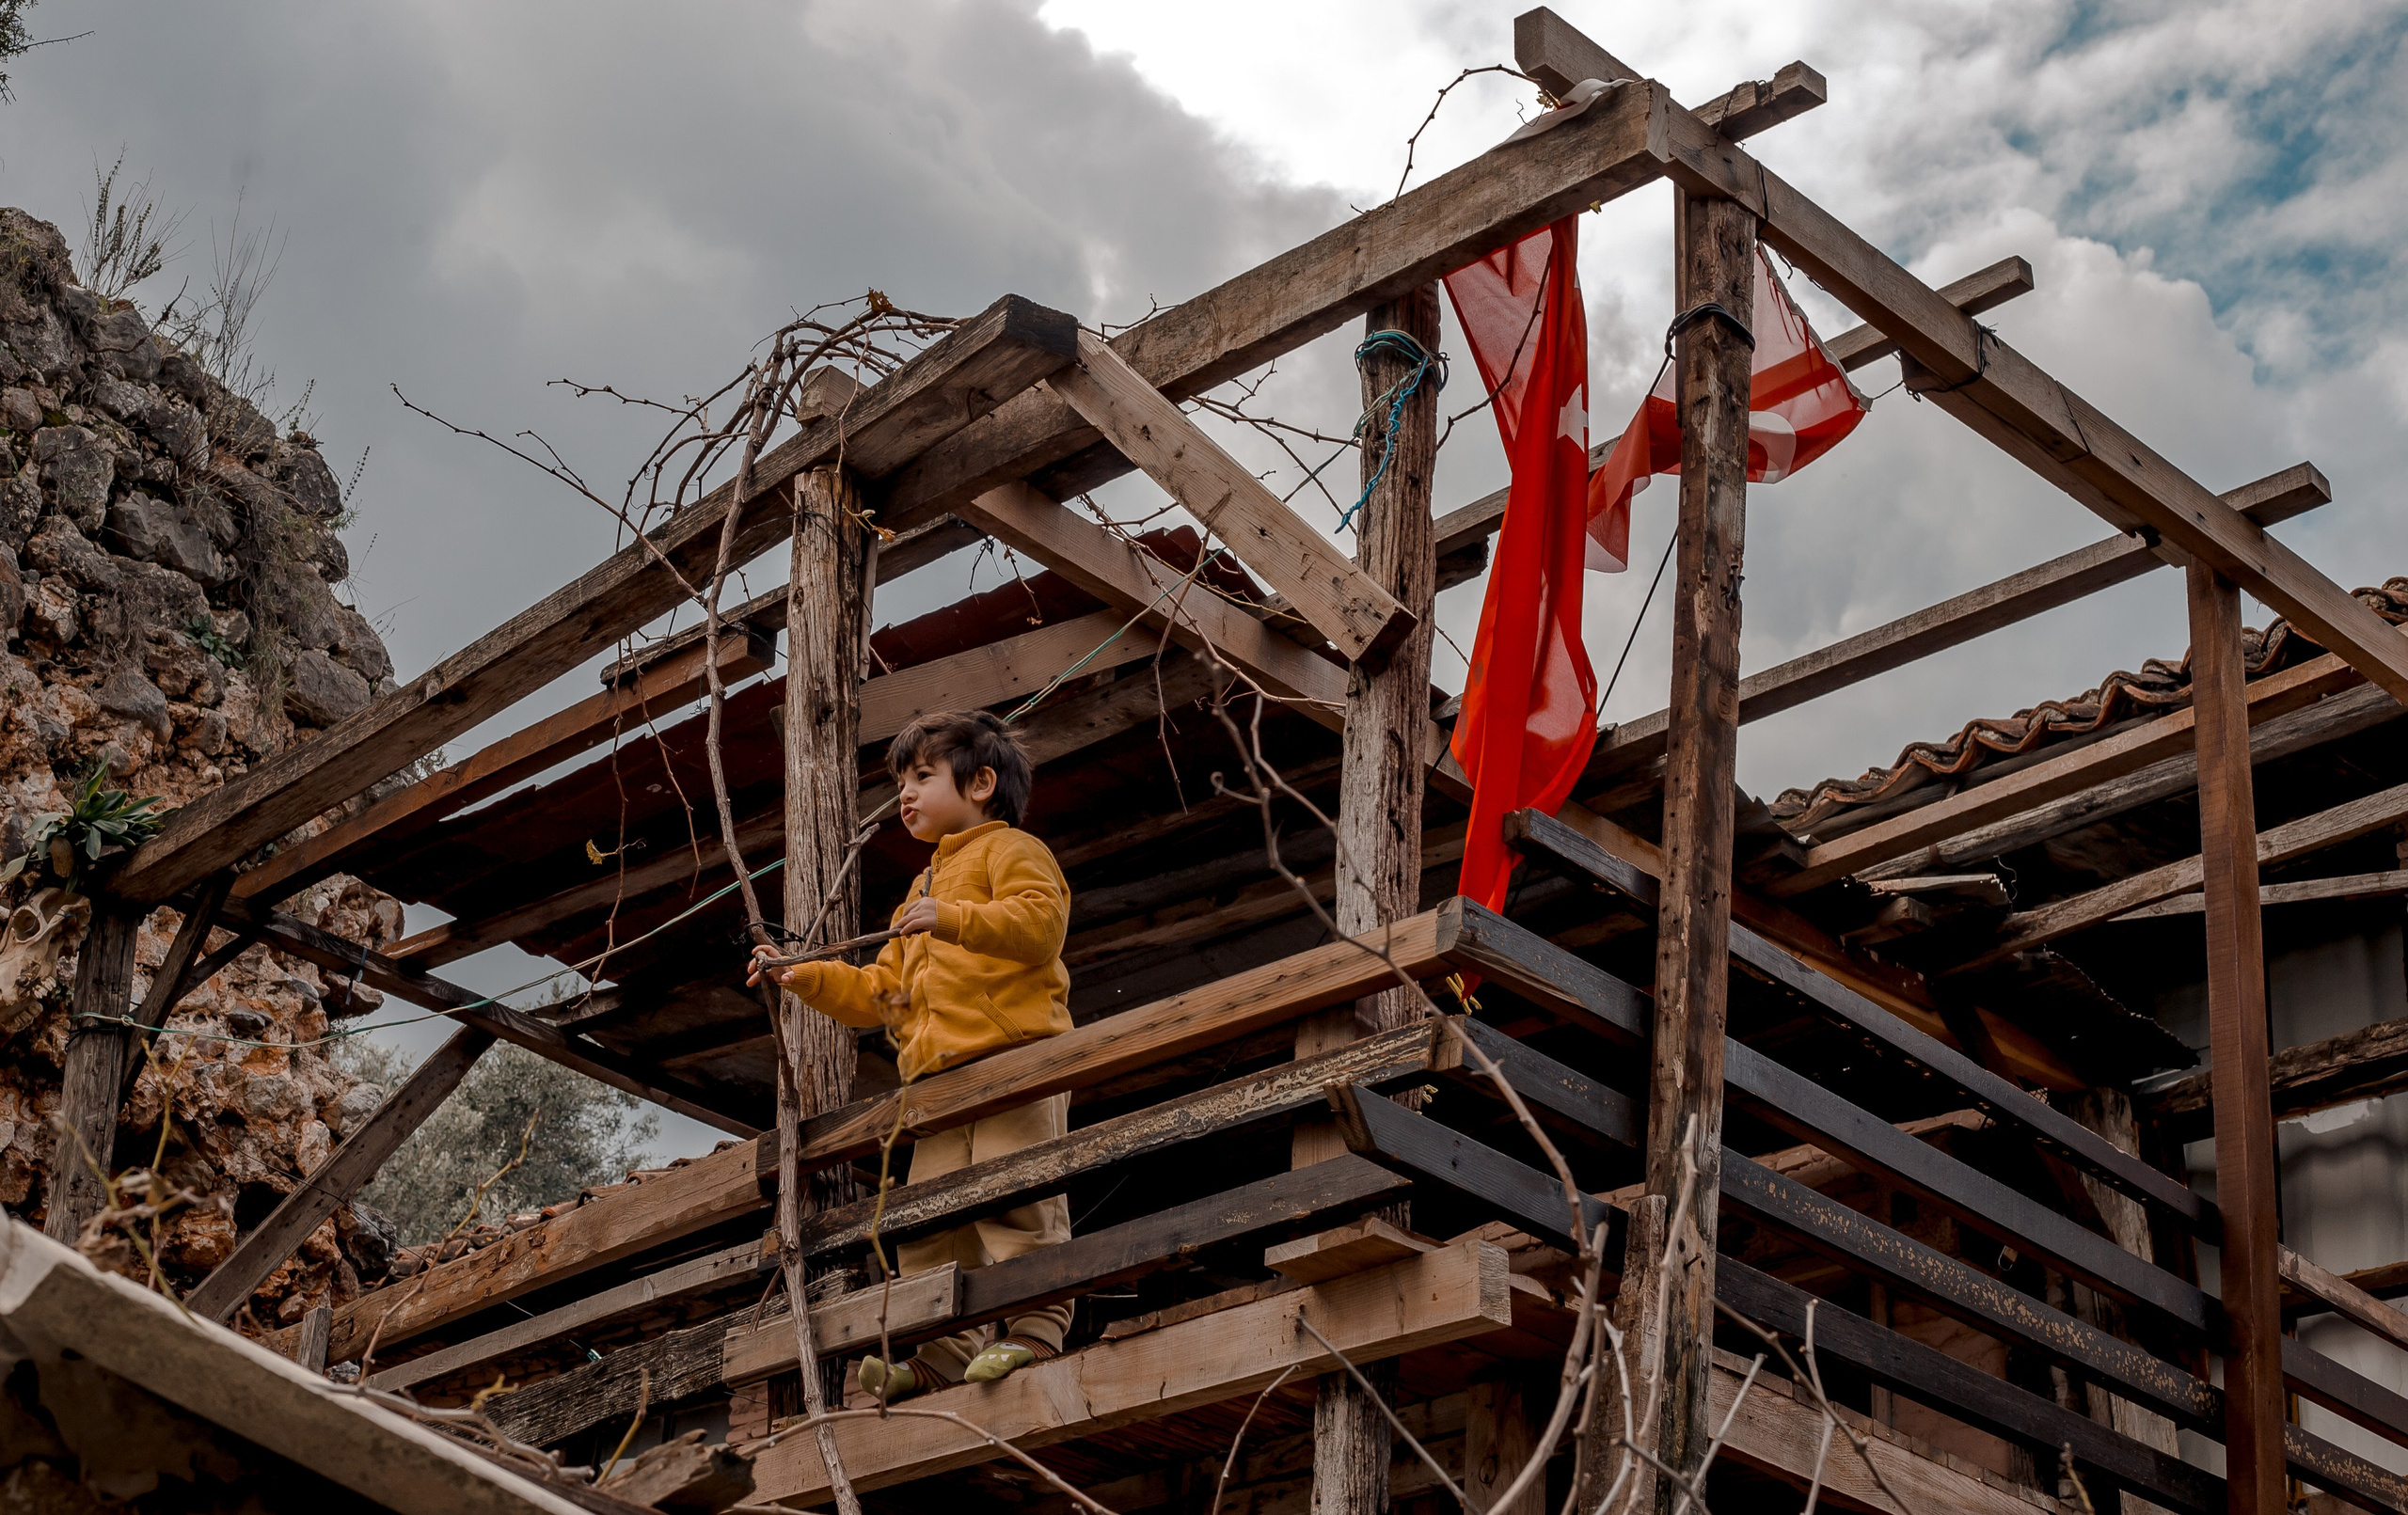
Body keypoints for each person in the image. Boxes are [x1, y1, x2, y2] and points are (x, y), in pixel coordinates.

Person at [749, 709, 1073, 1398]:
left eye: (922, 776)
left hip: (1013, 1063)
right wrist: (803, 974)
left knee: (1016, 1199)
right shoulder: (918, 891)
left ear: (982, 782)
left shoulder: (1011, 850)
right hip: (935, 1084)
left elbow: (1041, 926)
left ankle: (1035, 1332)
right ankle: (939, 1356)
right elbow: (880, 994)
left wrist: (954, 917)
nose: (905, 793)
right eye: (901, 780)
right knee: (930, 1221)